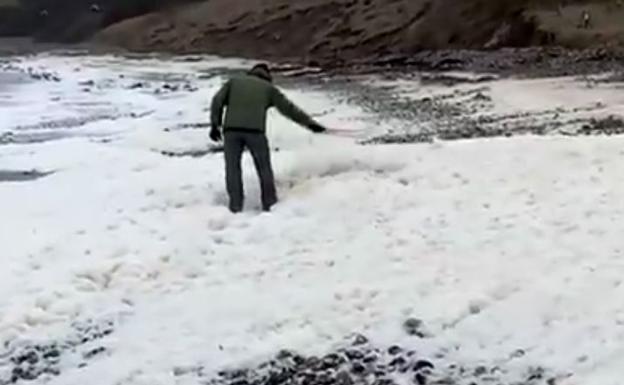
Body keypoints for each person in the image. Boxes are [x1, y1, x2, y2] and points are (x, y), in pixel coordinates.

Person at [210, 64, 327, 213]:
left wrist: (215, 124)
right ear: (267, 76)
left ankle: (235, 206)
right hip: (255, 133)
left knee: (233, 169)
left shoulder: (234, 82)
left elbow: (217, 101)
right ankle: (270, 205)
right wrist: (311, 125)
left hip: (231, 132)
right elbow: (289, 109)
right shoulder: (268, 89)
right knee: (264, 168)